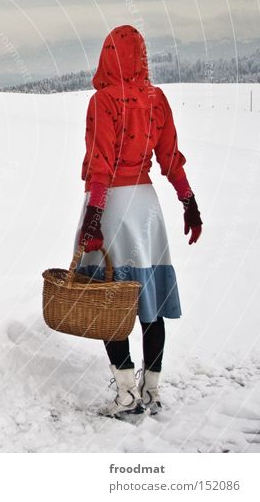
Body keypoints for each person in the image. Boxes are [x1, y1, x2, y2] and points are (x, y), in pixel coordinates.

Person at [73, 25, 203, 419]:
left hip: (111, 206)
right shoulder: (155, 99)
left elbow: (101, 166)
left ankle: (126, 393)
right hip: (146, 208)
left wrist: (93, 221)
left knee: (107, 301)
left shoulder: (103, 102)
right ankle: (153, 391)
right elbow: (170, 157)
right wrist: (188, 201)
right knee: (150, 303)